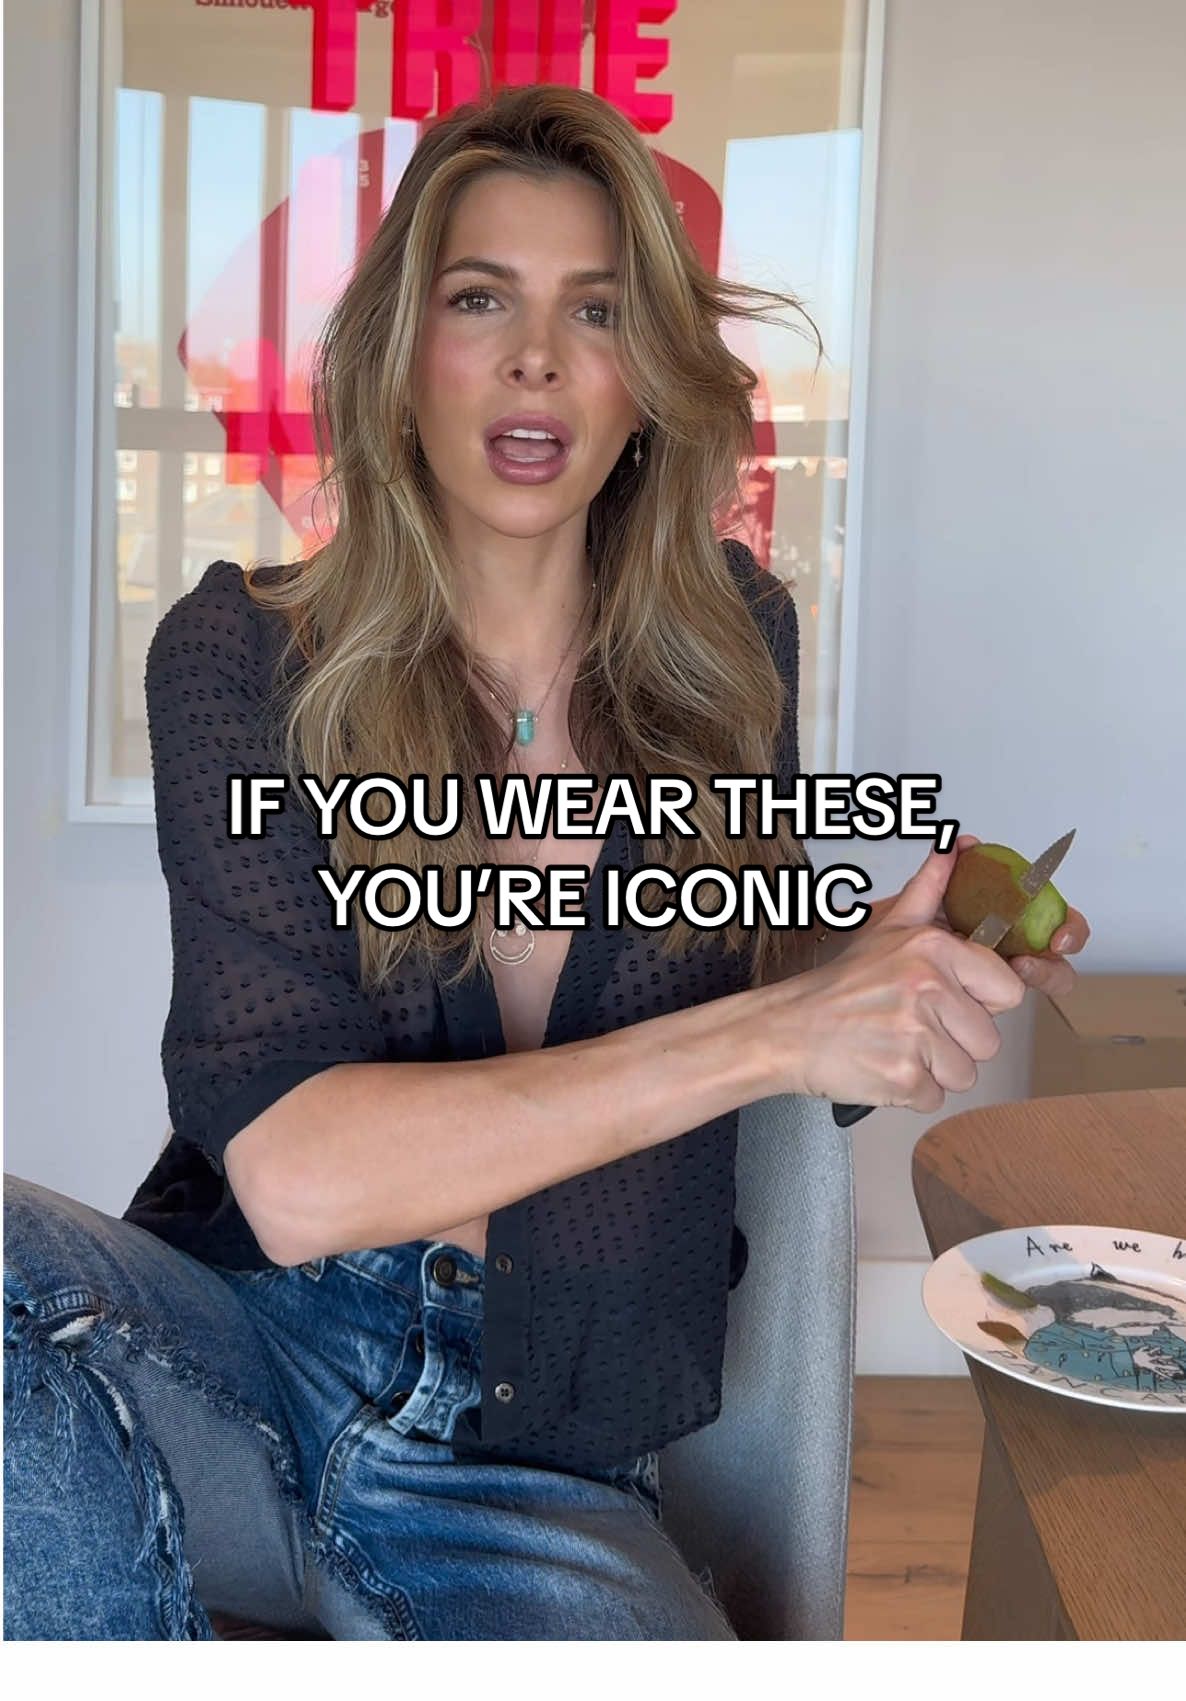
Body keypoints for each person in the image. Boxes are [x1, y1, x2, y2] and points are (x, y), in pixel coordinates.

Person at [3, 83, 1089, 1641]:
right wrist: (779, 1027)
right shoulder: (243, 655)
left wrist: (872, 977)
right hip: (247, 1347)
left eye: (594, 309)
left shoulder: (733, 647)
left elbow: (730, 974)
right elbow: (297, 1178)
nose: (536, 356)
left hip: (541, 1444)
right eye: (478, 298)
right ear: (402, 360)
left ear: (645, 381)